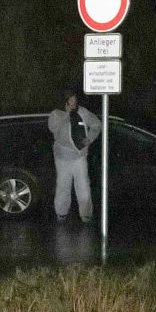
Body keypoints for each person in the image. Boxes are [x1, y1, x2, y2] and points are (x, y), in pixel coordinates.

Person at [48, 90, 102, 224]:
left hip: (80, 156)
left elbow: (96, 124)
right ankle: (61, 213)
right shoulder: (56, 114)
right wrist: (67, 115)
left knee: (83, 185)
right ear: (64, 102)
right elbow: (53, 129)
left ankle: (86, 215)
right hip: (63, 157)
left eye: (74, 100)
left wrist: (89, 138)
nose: (73, 103)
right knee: (63, 185)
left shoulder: (83, 112)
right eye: (70, 101)